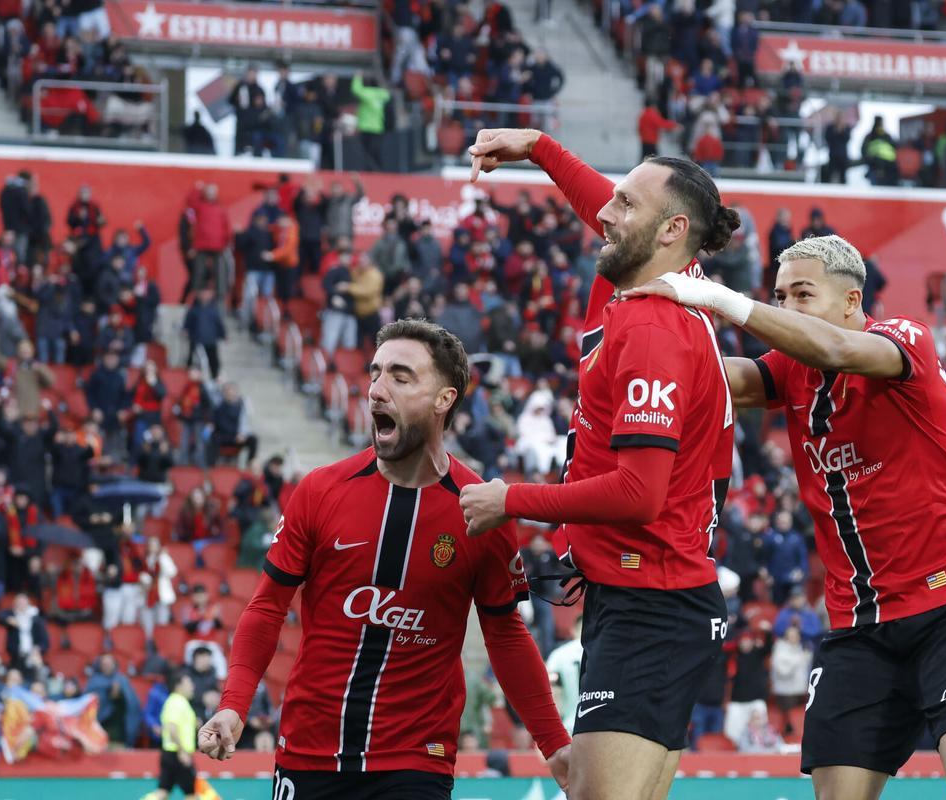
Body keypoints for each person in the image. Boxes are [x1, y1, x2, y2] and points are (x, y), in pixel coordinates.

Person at [627, 234, 946, 800]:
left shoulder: (903, 340)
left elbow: (836, 351)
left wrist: (717, 298)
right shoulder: (792, 372)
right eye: (779, 295)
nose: (786, 307)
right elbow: (721, 379)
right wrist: (636, 352)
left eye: (802, 294)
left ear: (851, 301)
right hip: (858, 626)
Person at [462, 128, 736, 800]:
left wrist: (510, 499)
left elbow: (640, 492)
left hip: (652, 601)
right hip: (650, 594)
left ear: (671, 231)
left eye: (623, 207)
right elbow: (614, 205)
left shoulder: (648, 325)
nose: (604, 216)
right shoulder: (657, 278)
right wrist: (538, 148)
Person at [197, 319, 570, 799]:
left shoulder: (481, 511)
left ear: (444, 400)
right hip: (309, 754)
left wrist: (554, 744)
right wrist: (234, 704)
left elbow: (505, 633)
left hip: (415, 762)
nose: (376, 389)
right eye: (375, 373)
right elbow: (268, 607)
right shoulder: (320, 491)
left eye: (400, 376)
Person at [139, 671, 199, 800]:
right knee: (191, 794)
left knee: (163, 792)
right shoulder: (176, 702)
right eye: (188, 683)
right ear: (178, 686)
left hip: (170, 753)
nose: (192, 686)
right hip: (177, 753)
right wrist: (182, 752)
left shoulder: (176, 702)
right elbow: (172, 728)